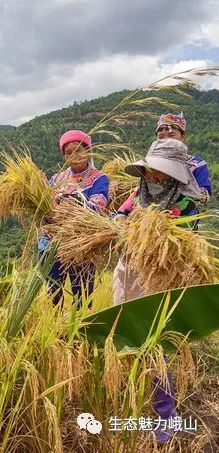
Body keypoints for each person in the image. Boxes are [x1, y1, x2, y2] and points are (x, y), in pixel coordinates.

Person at [112, 138, 204, 444]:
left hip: (159, 281)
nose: (153, 177)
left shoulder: (185, 203)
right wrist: (121, 225)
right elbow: (119, 218)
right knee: (127, 338)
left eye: (160, 173)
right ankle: (134, 400)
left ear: (174, 176)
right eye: (151, 171)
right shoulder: (137, 193)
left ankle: (166, 414)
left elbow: (181, 240)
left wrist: (148, 233)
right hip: (128, 275)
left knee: (156, 345)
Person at [39, 130, 109, 308]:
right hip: (54, 243)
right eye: (68, 152)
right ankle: (55, 328)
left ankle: (81, 330)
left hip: (82, 243)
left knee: (82, 295)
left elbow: (99, 205)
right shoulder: (56, 179)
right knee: (53, 292)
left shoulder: (99, 178)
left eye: (78, 150)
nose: (74, 156)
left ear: (88, 151)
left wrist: (74, 204)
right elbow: (45, 207)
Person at [155, 112, 212, 204]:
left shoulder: (196, 164)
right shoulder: (152, 163)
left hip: (184, 213)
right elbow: (140, 190)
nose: (166, 140)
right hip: (151, 212)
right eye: (161, 137)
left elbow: (204, 194)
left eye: (171, 135)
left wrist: (196, 193)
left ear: (183, 137)